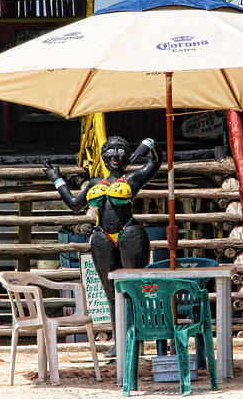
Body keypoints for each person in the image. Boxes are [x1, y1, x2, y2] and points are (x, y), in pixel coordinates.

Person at [43, 136, 162, 343]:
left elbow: (156, 162)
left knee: (132, 289)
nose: (115, 156)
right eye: (110, 151)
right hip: (101, 236)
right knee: (111, 292)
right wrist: (57, 179)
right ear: (103, 156)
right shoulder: (95, 183)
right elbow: (74, 205)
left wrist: (148, 144)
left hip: (130, 233)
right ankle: (119, 340)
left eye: (120, 150)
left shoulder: (133, 178)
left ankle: (136, 341)